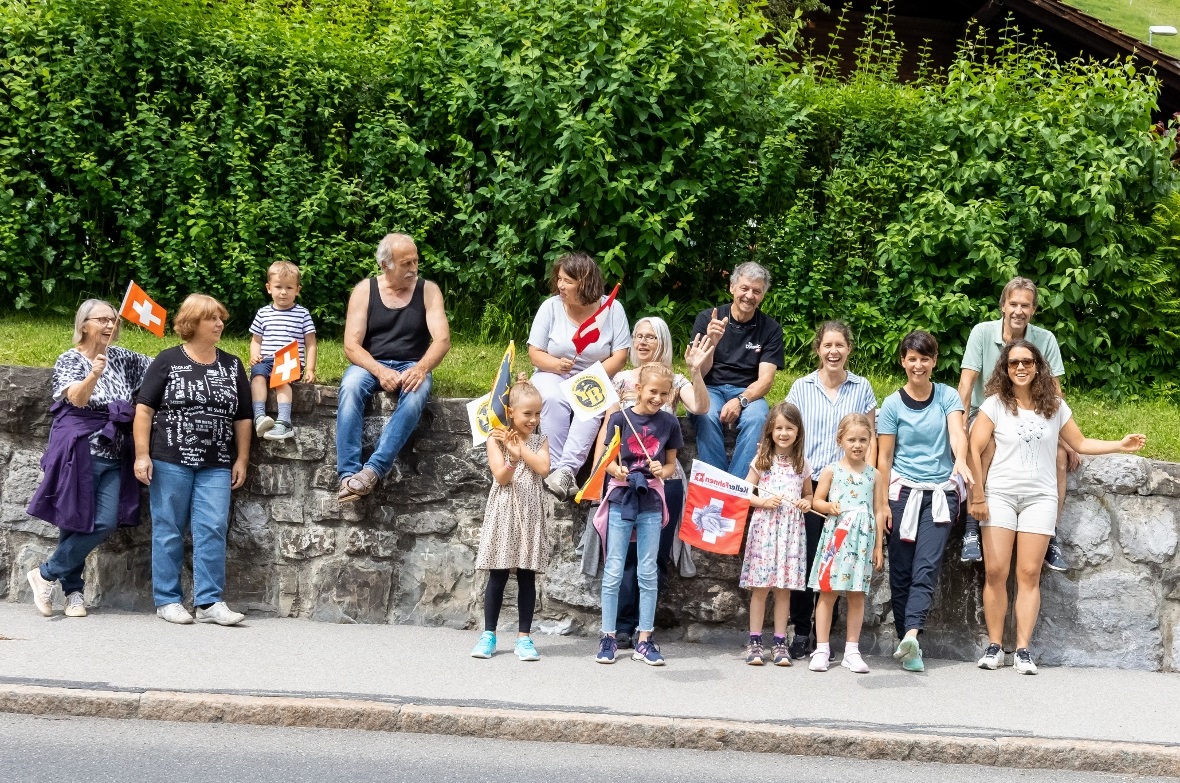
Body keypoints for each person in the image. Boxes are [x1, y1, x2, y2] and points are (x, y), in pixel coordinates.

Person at [969, 340, 1145, 675]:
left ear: (1038, 366)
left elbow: (1080, 443)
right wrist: (978, 496)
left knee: (1030, 574)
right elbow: (973, 451)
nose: (1020, 368)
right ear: (1005, 369)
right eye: (1013, 363)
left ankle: (1022, 649)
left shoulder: (1055, 406)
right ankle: (994, 646)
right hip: (1000, 496)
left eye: (1027, 362)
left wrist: (1119, 444)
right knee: (995, 571)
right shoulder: (994, 405)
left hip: (1040, 497)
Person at [25, 300, 153, 618]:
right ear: (84, 325)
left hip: (114, 452)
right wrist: (94, 374)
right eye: (103, 320)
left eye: (113, 320)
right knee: (73, 519)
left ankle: (44, 574)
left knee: (105, 521)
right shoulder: (70, 359)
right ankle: (74, 594)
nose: (110, 325)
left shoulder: (124, 358)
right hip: (80, 448)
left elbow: (161, 368)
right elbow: (78, 400)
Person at [593, 316, 712, 649]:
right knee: (621, 557)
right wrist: (601, 471)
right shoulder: (619, 379)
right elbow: (609, 429)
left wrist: (695, 372)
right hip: (623, 479)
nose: (644, 342)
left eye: (652, 337)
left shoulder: (673, 379)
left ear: (663, 343)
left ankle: (642, 629)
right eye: (639, 336)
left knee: (654, 557)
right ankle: (619, 628)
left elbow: (701, 407)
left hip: (663, 479)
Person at [134, 294, 251, 626]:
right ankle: (168, 600)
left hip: (216, 462)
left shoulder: (232, 364)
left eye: (220, 318)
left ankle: (209, 601)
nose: (219, 324)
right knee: (168, 528)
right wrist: (142, 454)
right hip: (171, 458)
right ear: (192, 323)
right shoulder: (168, 360)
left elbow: (243, 416)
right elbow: (144, 409)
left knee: (213, 527)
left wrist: (241, 458)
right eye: (211, 318)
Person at [957, 277, 1073, 571]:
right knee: (985, 444)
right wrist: (959, 428)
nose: (1018, 310)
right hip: (987, 416)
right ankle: (972, 525)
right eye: (1013, 304)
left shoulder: (1045, 339)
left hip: (1033, 416)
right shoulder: (982, 333)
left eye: (1025, 305)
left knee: (1060, 456)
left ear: (1033, 310)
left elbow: (1055, 392)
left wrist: (1063, 438)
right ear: (1003, 306)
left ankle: (1050, 534)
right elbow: (966, 385)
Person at [875, 330, 973, 672]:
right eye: (912, 358)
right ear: (903, 360)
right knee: (900, 571)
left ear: (934, 361)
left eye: (925, 358)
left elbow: (958, 432)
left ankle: (913, 633)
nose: (919, 365)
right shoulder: (891, 404)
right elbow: (884, 459)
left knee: (926, 567)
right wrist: (882, 504)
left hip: (940, 495)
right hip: (901, 494)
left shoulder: (947, 395)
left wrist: (960, 458)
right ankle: (908, 644)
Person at [785, 320, 878, 660]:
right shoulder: (801, 386)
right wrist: (805, 488)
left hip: (849, 488)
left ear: (849, 349)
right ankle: (802, 630)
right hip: (811, 488)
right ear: (818, 348)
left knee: (843, 564)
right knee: (808, 561)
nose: (834, 351)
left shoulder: (862, 387)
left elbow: (871, 438)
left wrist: (872, 480)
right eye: (828, 345)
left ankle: (831, 638)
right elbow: (790, 434)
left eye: (840, 345)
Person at [337, 234, 451, 501]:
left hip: (412, 362)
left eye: (415, 261)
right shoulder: (365, 291)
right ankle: (347, 475)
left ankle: (373, 471)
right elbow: (351, 345)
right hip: (370, 362)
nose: (413, 268)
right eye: (406, 264)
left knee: (416, 395)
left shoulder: (428, 290)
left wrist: (422, 368)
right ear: (385, 265)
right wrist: (379, 370)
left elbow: (442, 340)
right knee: (351, 386)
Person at [593, 363, 683, 666]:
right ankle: (608, 636)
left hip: (652, 501)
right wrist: (615, 468)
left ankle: (645, 639)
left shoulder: (669, 423)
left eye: (663, 393)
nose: (657, 397)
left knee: (647, 571)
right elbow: (607, 459)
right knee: (614, 568)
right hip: (622, 496)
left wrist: (663, 470)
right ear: (639, 389)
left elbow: (671, 465)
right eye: (652, 391)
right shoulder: (620, 418)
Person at [528, 252, 630, 500]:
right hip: (552, 372)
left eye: (567, 281)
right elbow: (534, 353)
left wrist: (590, 376)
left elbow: (620, 355)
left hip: (595, 374)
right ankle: (554, 469)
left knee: (591, 405)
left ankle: (566, 470)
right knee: (552, 398)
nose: (560, 286)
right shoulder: (550, 307)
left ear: (584, 283)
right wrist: (556, 364)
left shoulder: (612, 309)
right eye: (559, 279)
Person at [470, 382, 551, 662]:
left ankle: (524, 638)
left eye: (538, 414)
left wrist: (519, 449)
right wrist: (512, 459)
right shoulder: (495, 439)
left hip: (530, 513)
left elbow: (543, 468)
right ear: (511, 412)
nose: (534, 420)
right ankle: (488, 634)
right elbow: (501, 477)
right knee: (499, 573)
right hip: (505, 510)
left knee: (527, 575)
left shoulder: (540, 441)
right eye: (528, 413)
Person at [690, 262, 784, 479]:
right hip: (710, 387)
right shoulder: (708, 319)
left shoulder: (770, 329)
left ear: (762, 295)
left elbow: (766, 381)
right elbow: (699, 373)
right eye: (744, 288)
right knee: (704, 413)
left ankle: (735, 488)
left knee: (758, 419)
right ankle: (715, 482)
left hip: (748, 391)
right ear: (732, 287)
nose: (749, 295)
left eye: (757, 291)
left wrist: (741, 400)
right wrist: (711, 342)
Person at [740, 402, 813, 667]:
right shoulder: (762, 460)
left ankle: (780, 641)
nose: (784, 433)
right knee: (761, 588)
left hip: (791, 532)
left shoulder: (802, 463)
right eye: (779, 427)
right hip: (765, 529)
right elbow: (745, 492)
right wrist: (761, 502)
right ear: (770, 429)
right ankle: (755, 641)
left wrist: (807, 502)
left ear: (798, 431)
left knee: (784, 589)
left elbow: (808, 494)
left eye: (789, 428)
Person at [807, 413, 877, 674]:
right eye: (851, 439)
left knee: (857, 595)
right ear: (840, 441)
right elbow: (816, 501)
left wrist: (878, 546)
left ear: (870, 441)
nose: (857, 445)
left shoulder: (874, 475)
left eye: (862, 439)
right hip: (836, 541)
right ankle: (822, 648)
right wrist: (829, 506)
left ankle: (852, 650)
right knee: (827, 593)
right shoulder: (831, 470)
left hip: (861, 544)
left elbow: (878, 509)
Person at [249, 260, 317, 441]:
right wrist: (254, 355)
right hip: (267, 360)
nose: (283, 292)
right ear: (269, 288)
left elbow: (310, 343)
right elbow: (256, 340)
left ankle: (284, 422)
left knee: (282, 380)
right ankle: (260, 416)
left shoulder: (302, 314)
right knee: (257, 376)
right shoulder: (263, 313)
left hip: (289, 360)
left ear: (298, 290)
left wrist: (310, 368)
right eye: (278, 287)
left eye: (289, 287)